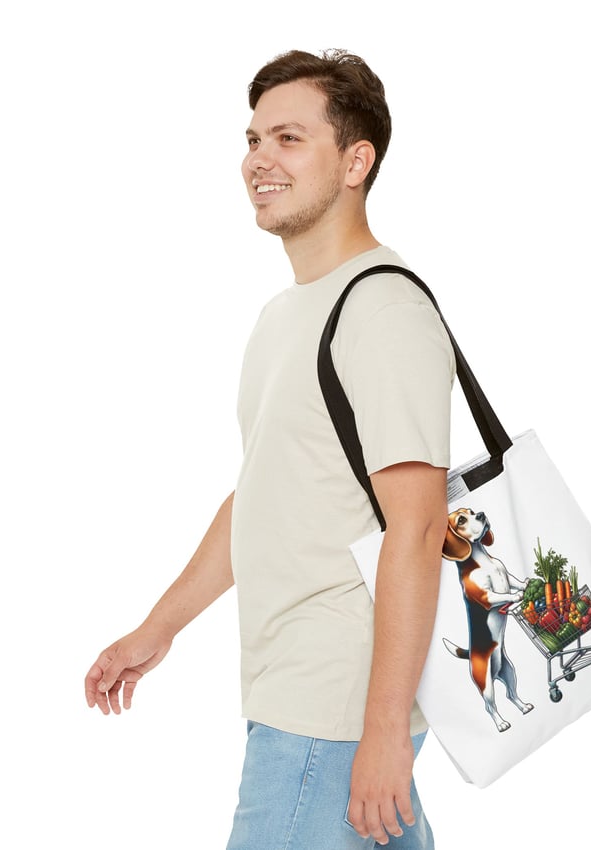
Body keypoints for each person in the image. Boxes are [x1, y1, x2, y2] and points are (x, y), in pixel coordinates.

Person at [84, 49, 455, 849]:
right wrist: (158, 630)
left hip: (329, 715)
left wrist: (383, 733)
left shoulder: (381, 307)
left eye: (288, 139)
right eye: (253, 140)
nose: (259, 160)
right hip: (296, 701)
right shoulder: (284, 317)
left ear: (357, 161)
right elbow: (263, 496)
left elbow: (418, 528)